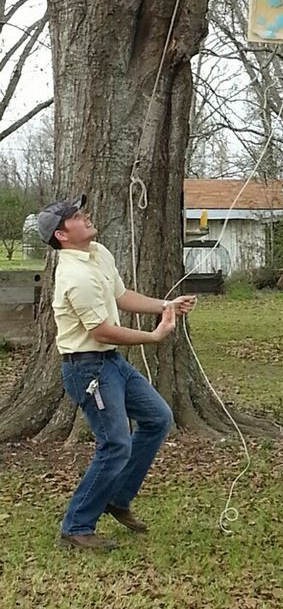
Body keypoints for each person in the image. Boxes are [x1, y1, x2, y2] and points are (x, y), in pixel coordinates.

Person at [37, 194, 197, 551]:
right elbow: (102, 331)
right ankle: (76, 527)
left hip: (110, 363)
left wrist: (165, 305)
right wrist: (154, 336)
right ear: (62, 236)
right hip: (87, 367)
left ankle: (117, 498)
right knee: (115, 444)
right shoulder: (74, 275)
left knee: (157, 418)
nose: (86, 216)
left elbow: (122, 295)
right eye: (77, 216)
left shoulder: (99, 253)